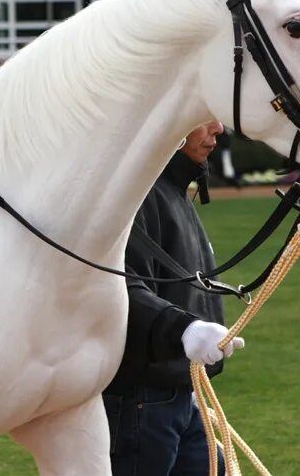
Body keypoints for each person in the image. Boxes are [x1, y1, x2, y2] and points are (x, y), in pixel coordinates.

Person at [104, 121, 244, 476]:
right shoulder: (137, 194)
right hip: (140, 398)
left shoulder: (172, 189)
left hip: (177, 393)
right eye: (204, 118)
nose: (218, 128)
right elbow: (118, 289)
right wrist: (184, 330)